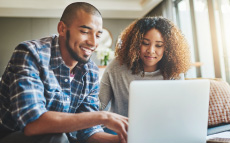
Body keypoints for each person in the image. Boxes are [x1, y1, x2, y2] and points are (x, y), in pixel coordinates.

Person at [0, 2, 128, 143]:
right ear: (62, 29)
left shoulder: (90, 71)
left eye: (98, 35)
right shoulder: (30, 54)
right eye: (85, 32)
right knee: (58, 137)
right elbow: (32, 123)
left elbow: (88, 131)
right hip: (11, 135)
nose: (93, 42)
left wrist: (122, 140)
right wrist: (103, 116)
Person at [99, 16, 191, 134]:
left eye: (158, 45)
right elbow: (99, 105)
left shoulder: (174, 71)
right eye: (145, 43)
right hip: (122, 131)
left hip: (162, 130)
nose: (151, 50)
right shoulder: (117, 66)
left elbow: (179, 109)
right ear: (135, 43)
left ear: (168, 48)